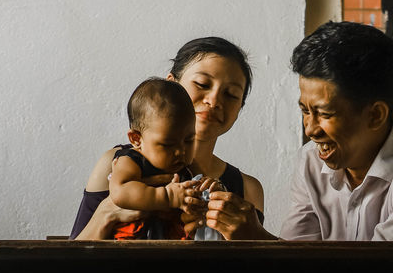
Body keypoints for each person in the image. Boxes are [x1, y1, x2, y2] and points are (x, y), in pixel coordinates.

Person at [205, 20, 393, 241]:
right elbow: (295, 268)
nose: (310, 130)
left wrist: (256, 239)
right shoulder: (312, 162)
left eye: (324, 114)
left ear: (375, 115)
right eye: (304, 110)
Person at [70, 37, 264, 241]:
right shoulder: (117, 163)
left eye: (231, 94)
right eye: (202, 84)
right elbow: (70, 265)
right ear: (171, 84)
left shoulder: (247, 189)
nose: (214, 100)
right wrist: (107, 212)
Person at [108, 77, 202, 241]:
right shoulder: (131, 160)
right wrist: (167, 196)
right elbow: (120, 191)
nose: (180, 151)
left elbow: (202, 183)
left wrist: (211, 189)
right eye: (167, 144)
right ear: (136, 139)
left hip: (176, 243)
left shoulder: (189, 165)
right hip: (133, 244)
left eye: (189, 140)